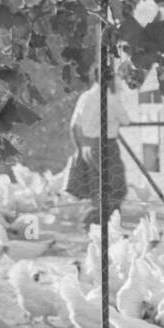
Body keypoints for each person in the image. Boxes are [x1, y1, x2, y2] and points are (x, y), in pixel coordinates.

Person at [68, 79, 131, 227]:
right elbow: (125, 120)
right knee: (117, 188)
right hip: (107, 146)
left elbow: (74, 126)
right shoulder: (111, 97)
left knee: (98, 187)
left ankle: (97, 228)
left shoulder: (85, 96)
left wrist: (80, 148)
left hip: (89, 146)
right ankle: (104, 225)